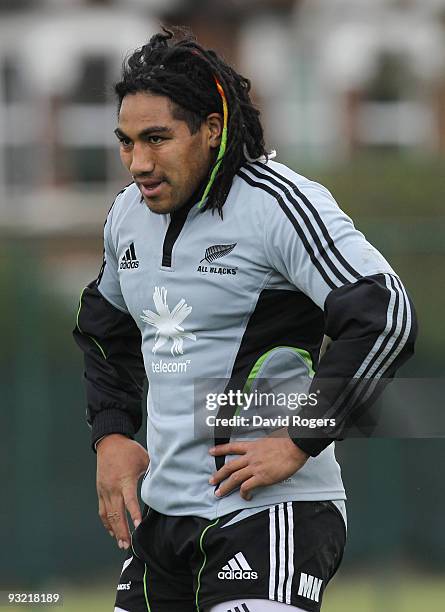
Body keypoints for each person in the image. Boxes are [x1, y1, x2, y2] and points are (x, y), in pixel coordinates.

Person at [73, 27, 417, 612]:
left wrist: (300, 438)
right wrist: (110, 435)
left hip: (272, 517)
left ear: (213, 129)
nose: (139, 163)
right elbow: (103, 329)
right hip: (162, 525)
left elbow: (387, 314)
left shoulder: (277, 204)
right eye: (127, 142)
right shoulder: (126, 216)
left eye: (157, 139)